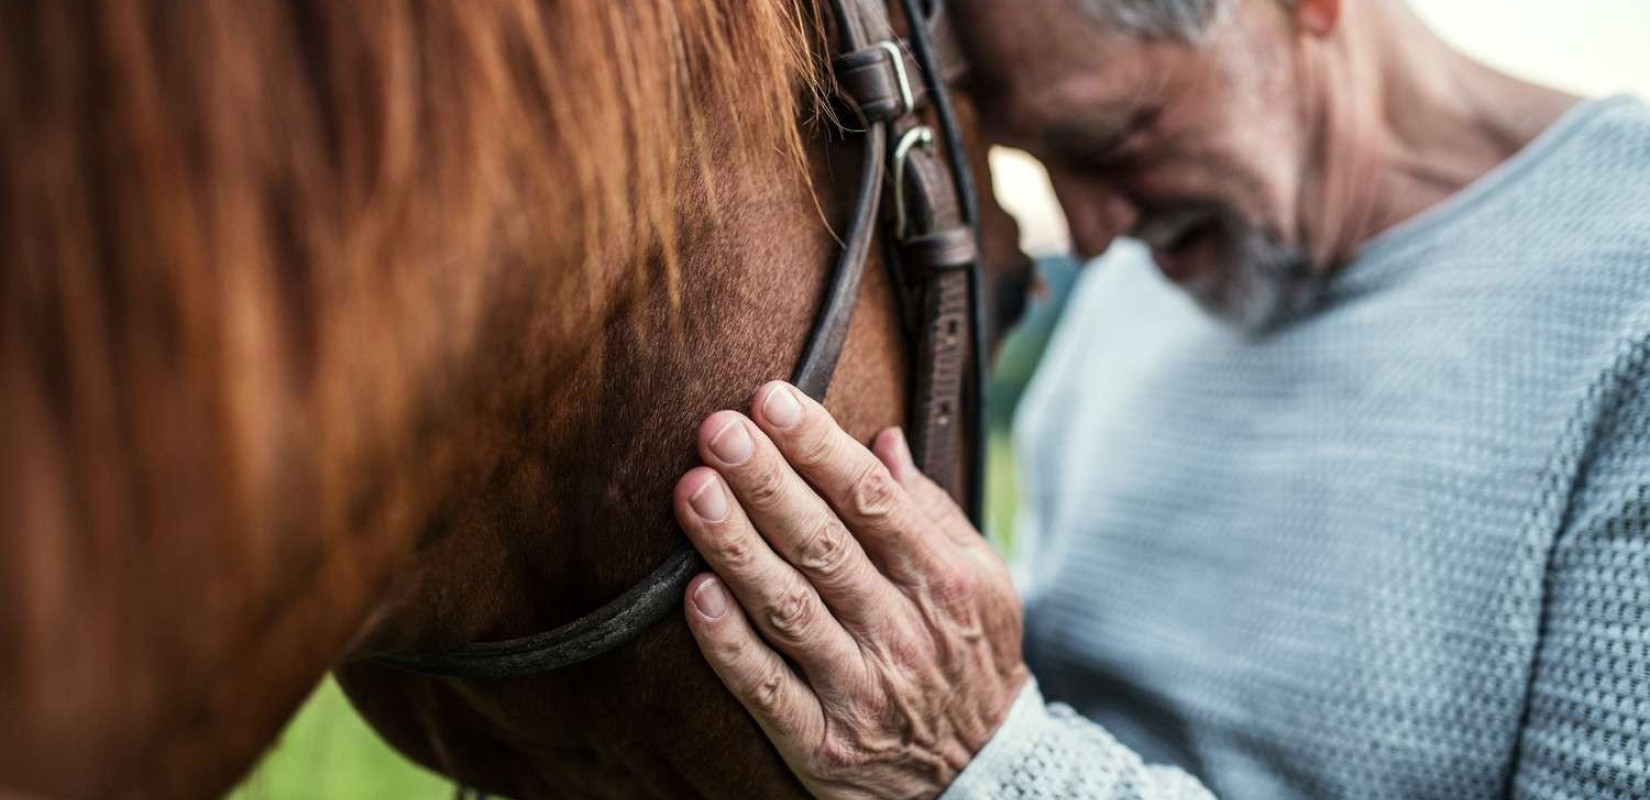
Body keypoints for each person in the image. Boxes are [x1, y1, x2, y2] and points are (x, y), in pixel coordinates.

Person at [666, 0, 1650, 796]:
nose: (1093, 235)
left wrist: (991, 766)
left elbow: (1002, 741)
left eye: (1116, 137)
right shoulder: (1140, 293)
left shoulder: (1625, 297)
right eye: (1040, 162)